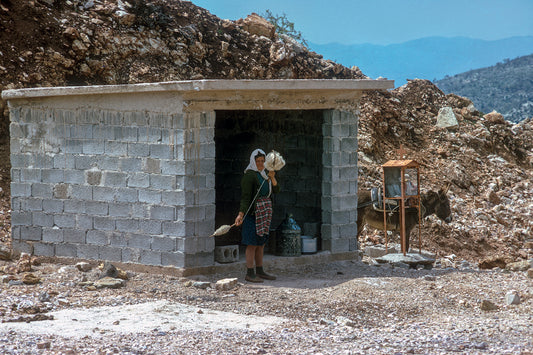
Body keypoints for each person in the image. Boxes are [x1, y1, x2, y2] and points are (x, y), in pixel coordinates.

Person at [234, 149, 280, 283]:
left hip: (264, 212)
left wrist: (272, 177)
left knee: (261, 243)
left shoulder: (265, 174)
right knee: (252, 244)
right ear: (253, 161)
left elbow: (276, 190)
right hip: (253, 214)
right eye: (258, 161)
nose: (260, 163)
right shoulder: (250, 176)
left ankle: (260, 271)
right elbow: (246, 197)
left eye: (262, 161)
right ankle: (250, 273)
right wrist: (240, 214)